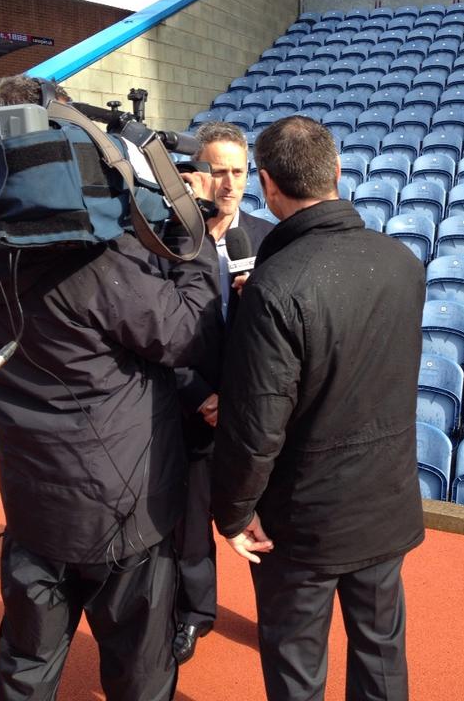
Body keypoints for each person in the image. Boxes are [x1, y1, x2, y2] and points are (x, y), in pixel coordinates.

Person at [0, 74, 221, 701]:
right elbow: (188, 334)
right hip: (121, 513)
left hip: (31, 503)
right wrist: (191, 232)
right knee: (139, 673)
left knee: (26, 663)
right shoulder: (94, 259)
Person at [212, 115, 426, 701]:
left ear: (266, 184)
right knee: (382, 655)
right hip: (385, 502)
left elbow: (257, 427)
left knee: (297, 667)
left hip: (303, 523)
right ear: (336, 171)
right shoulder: (404, 263)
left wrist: (233, 512)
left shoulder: (276, 287)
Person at [171, 121, 273, 664]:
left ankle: (277, 619)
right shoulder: (169, 242)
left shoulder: (268, 237)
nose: (228, 183)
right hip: (194, 409)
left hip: (256, 412)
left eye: (237, 171)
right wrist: (199, 394)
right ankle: (194, 614)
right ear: (195, 175)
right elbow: (152, 333)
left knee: (267, 523)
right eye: (217, 171)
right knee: (190, 526)